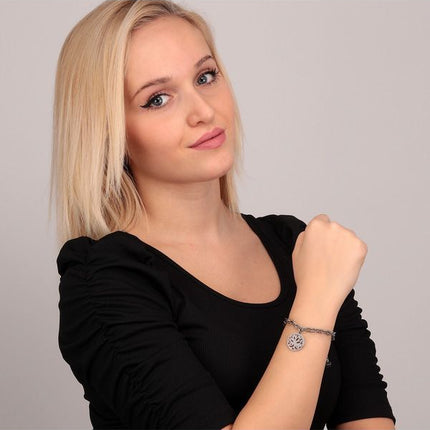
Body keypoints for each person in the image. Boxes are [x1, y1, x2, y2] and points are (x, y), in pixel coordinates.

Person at [51, 1, 396, 429]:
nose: (203, 111)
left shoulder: (294, 244)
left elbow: (368, 419)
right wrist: (316, 302)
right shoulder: (104, 281)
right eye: (157, 99)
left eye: (205, 76)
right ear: (108, 132)